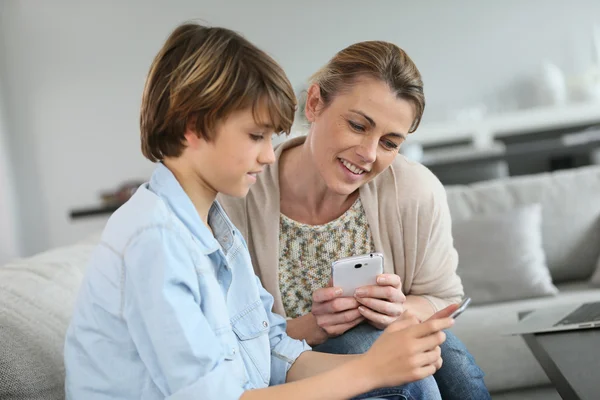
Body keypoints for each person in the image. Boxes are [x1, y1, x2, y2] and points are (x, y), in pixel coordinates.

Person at [63, 22, 457, 400]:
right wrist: (369, 371)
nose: (270, 155)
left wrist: (379, 366)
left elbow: (273, 352)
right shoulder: (154, 240)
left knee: (420, 377)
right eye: (256, 136)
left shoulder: (217, 231)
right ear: (193, 126)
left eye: (271, 138)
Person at [219, 40, 491, 399]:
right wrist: (315, 326)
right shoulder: (238, 195)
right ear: (314, 103)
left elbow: (442, 296)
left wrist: (399, 310)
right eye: (358, 125)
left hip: (386, 343)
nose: (368, 154)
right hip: (297, 365)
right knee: (394, 366)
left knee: (454, 363)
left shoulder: (416, 190)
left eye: (390, 143)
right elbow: (232, 338)